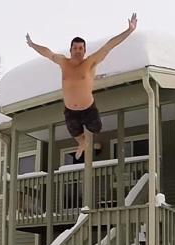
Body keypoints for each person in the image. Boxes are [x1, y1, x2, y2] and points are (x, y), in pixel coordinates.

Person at [26, 13, 138, 159]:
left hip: (88, 109)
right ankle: (82, 142)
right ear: (70, 50)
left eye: (81, 48)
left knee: (96, 128)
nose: (78, 51)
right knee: (74, 131)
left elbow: (109, 46)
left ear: (84, 51)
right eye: (75, 48)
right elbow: (48, 53)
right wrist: (33, 44)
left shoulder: (89, 62)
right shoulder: (63, 62)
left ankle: (87, 143)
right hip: (70, 110)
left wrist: (129, 30)